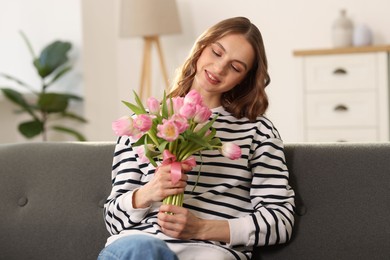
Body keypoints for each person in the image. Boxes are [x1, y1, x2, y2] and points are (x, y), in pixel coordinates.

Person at [98, 16, 295, 260]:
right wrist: (149, 191)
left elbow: (280, 220)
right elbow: (112, 220)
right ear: (201, 48)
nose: (220, 68)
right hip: (136, 249)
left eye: (235, 67)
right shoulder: (143, 123)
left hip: (207, 253)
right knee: (144, 250)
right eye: (216, 52)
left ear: (244, 78)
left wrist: (201, 228)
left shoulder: (257, 131)